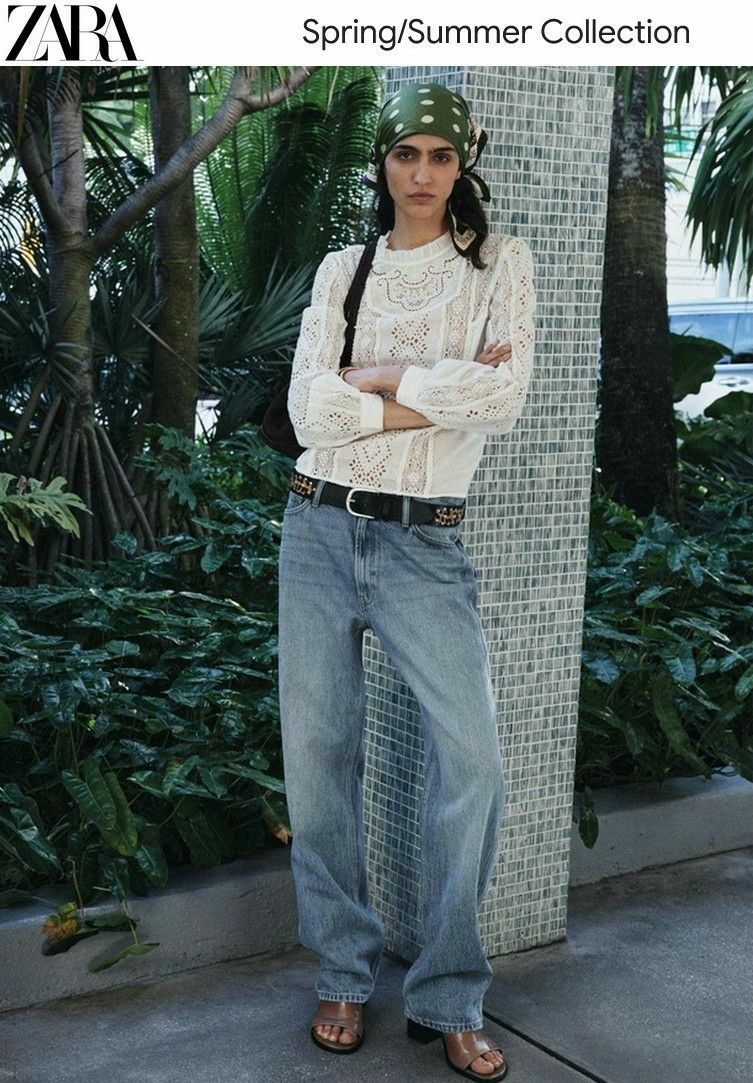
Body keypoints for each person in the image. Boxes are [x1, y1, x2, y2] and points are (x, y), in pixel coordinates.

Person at [277, 80, 536, 1082]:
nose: (421, 173)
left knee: (472, 765)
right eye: (404, 153)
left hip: (425, 544)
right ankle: (343, 969)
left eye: (440, 155)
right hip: (317, 530)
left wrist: (381, 378)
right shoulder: (343, 271)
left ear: (461, 165)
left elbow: (504, 400)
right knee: (319, 759)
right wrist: (441, 393)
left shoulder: (498, 266)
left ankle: (448, 993)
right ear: (382, 163)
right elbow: (309, 415)